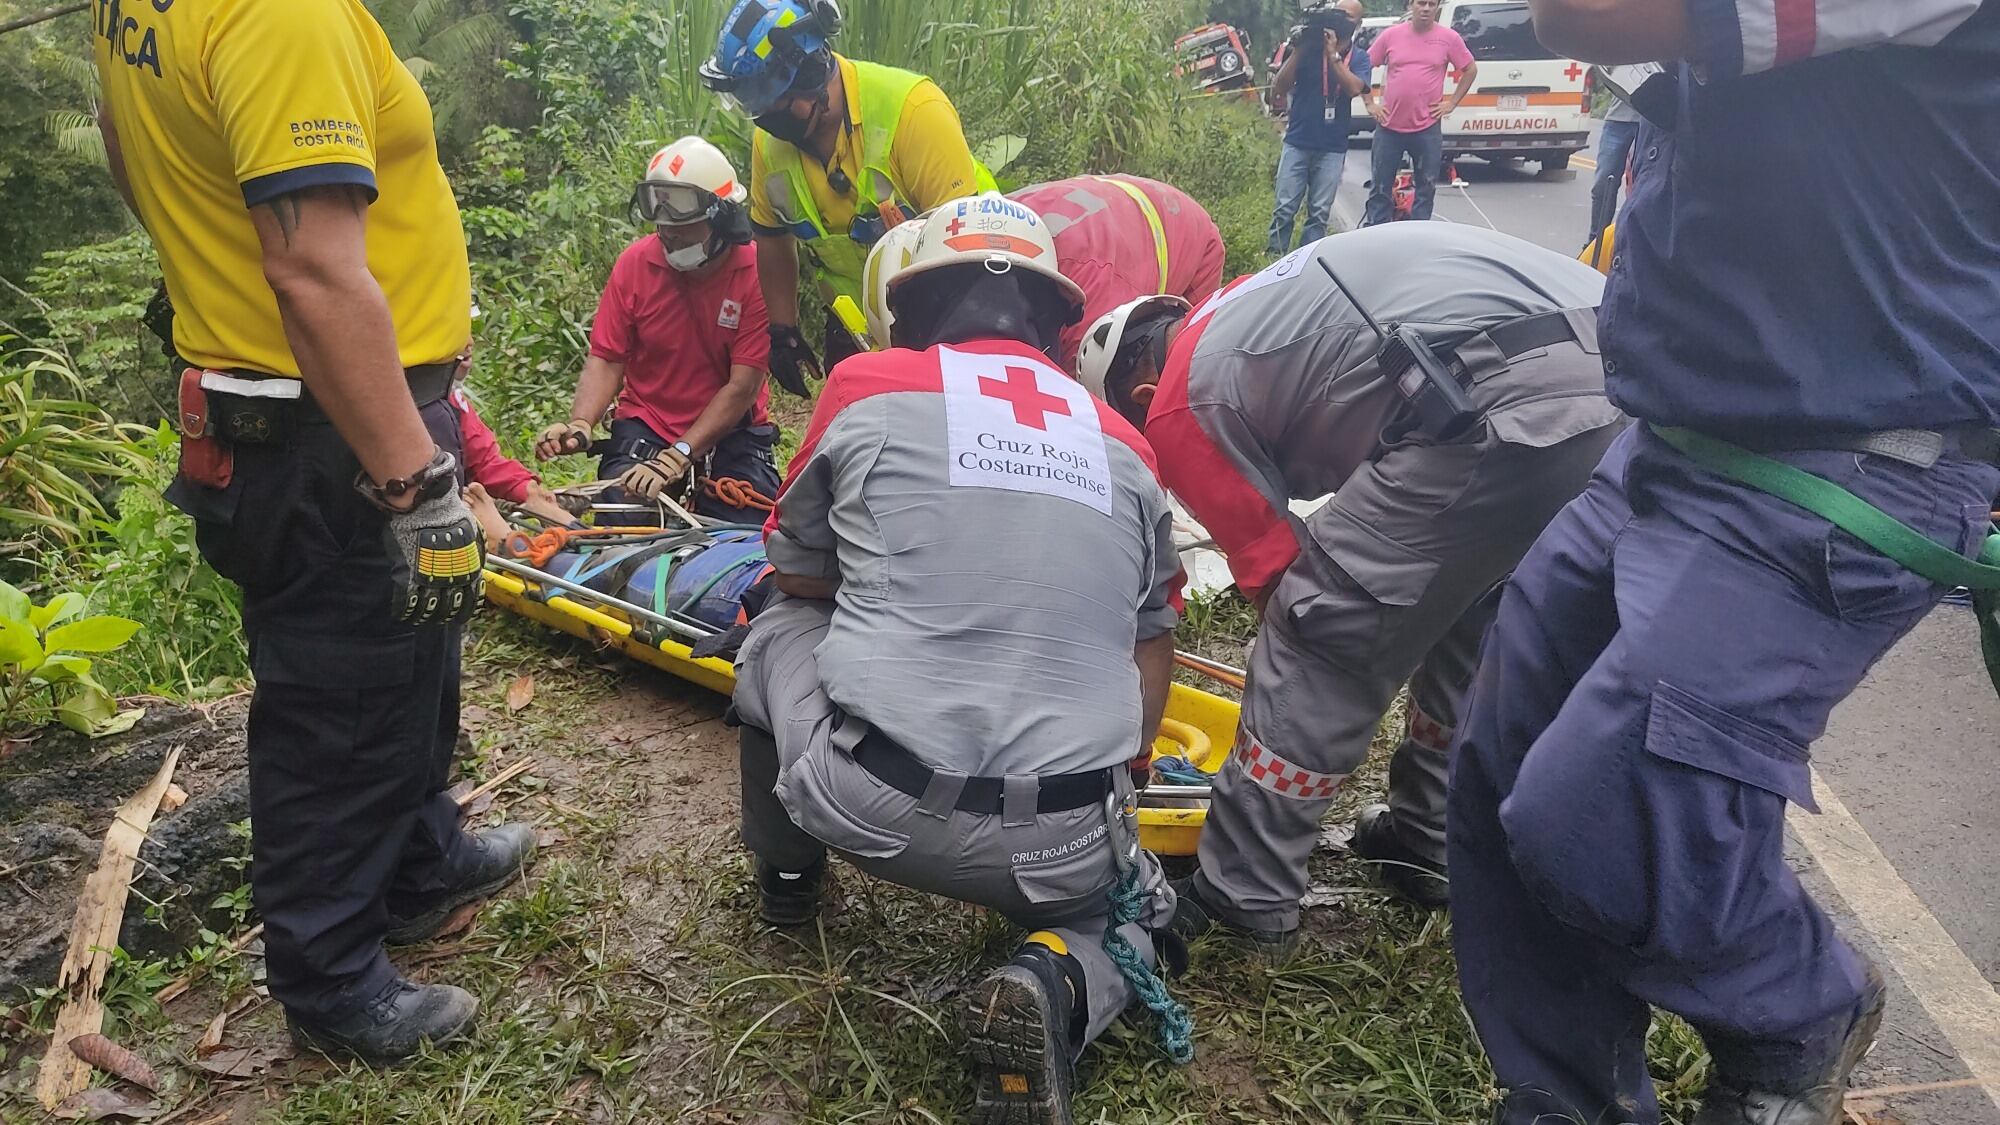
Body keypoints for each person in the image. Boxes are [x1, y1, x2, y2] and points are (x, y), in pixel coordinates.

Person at [1449, 2, 2000, 1123]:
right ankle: (1564, 1101)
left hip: (1838, 466)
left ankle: (1797, 1006)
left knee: (1599, 809)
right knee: (1501, 768)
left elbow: (1594, 14)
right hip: (1673, 436)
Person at [91, 0, 535, 1062]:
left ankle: (420, 858)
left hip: (305, 410)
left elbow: (124, 143)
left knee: (409, 658)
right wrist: (414, 483)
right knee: (342, 706)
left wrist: (207, 259)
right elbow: (314, 270)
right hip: (333, 428)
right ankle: (330, 976)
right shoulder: (281, 15)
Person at [735, 194, 1188, 1125]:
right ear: (1055, 321)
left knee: (776, 621)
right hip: (1061, 842)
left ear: (910, 304)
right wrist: (1129, 774)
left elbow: (797, 567)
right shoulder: (1129, 446)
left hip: (868, 801)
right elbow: (1150, 636)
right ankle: (1052, 981)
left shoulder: (865, 383)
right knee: (1135, 917)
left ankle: (787, 875)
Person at [1073, 223, 1623, 934]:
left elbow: (1281, 576)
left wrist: (1349, 638)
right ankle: (1430, 839)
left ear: (1141, 392)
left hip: (1501, 397)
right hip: (1622, 372)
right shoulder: (1244, 308)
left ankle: (1245, 892)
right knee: (1476, 610)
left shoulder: (1177, 402)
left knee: (1318, 627)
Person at [701, 0, 992, 394]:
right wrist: (782, 329)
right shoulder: (769, 146)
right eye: (753, 106)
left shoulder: (914, 111)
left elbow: (966, 255)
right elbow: (772, 238)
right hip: (857, 323)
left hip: (956, 305)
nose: (764, 118)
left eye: (770, 102)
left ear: (810, 73)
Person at [533, 138, 778, 525]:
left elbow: (742, 387)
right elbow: (607, 358)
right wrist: (581, 423)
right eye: (662, 225)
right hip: (648, 424)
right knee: (625, 519)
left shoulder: (757, 274)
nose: (668, 233)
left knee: (745, 532)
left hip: (731, 430)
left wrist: (680, 454)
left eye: (681, 226)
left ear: (721, 218)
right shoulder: (636, 264)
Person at [1009, 175, 1226, 371]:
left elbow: (1079, 388)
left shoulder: (1095, 294)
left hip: (1188, 232)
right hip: (1114, 209)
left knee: (1178, 364)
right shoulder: (996, 217)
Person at [1266, 1, 1371, 254]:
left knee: (1319, 213)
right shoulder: (1308, 50)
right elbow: (1279, 87)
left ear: (1357, 24)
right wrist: (1299, 50)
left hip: (1332, 147)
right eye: (1336, 14)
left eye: (1346, 16)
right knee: (1284, 208)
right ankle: (1273, 258)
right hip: (1298, 140)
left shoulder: (1359, 57)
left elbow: (1353, 88)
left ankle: (1307, 262)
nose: (1339, 19)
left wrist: (1333, 55)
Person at [1361, 0, 1475, 225]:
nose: (1426, 8)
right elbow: (1364, 65)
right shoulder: (1391, 35)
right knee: (1380, 186)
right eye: (1421, 3)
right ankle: (1376, 231)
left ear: (1437, 8)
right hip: (1389, 126)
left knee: (1426, 187)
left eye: (1432, 4)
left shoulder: (1449, 38)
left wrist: (1452, 103)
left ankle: (1418, 233)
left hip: (1426, 127)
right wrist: (1370, 103)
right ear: (1410, 5)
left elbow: (1470, 69)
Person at [1584, 63, 1659, 246]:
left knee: (1644, 188)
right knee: (1603, 184)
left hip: (1653, 121)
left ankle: (1635, 245)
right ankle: (1596, 243)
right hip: (1618, 121)